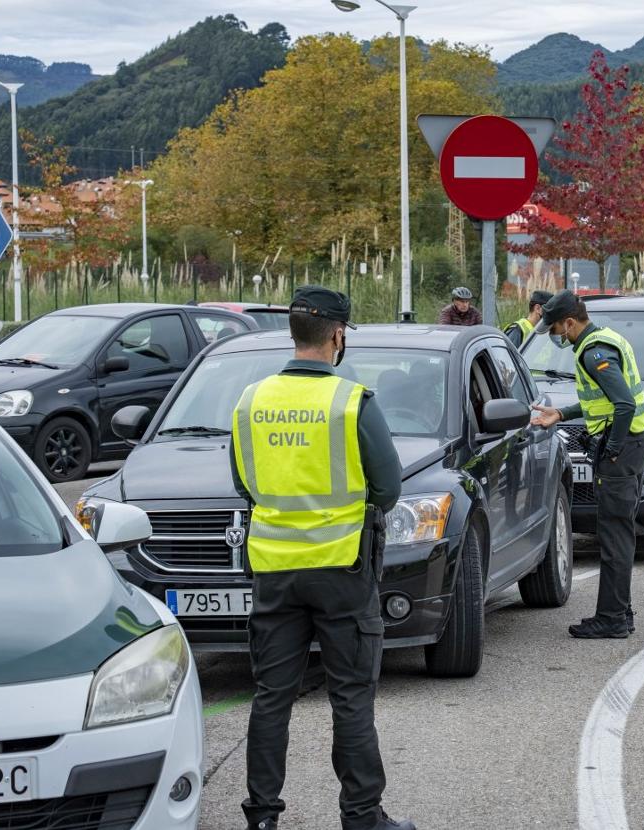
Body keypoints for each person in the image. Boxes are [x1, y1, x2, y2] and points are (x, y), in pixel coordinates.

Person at [231, 286, 415, 830]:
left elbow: (244, 483)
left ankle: (261, 818)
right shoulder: (352, 401)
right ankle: (361, 818)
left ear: (293, 333)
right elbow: (387, 488)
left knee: (271, 698)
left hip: (274, 571)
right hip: (342, 571)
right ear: (337, 336)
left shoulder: (250, 400)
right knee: (351, 698)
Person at [529, 290, 644, 638]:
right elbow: (606, 402)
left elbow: (624, 404)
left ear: (570, 322)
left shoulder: (593, 351)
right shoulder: (605, 339)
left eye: (555, 329)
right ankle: (620, 613)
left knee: (613, 536)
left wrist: (611, 449)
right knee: (619, 534)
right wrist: (562, 413)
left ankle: (612, 618)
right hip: (633, 446)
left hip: (622, 451)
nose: (555, 335)